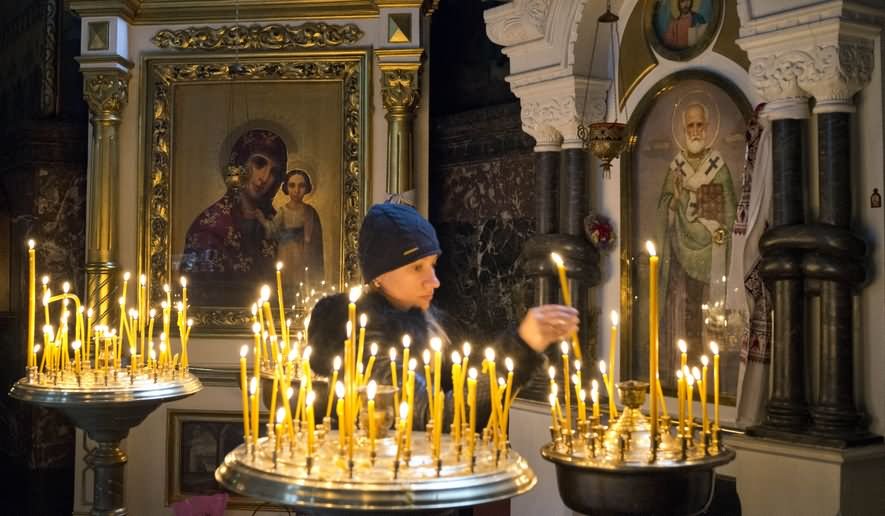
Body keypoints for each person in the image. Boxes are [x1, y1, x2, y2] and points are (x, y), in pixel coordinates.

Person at [308, 203, 578, 430]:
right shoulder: (361, 332)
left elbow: (473, 388)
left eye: (433, 265)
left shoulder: (436, 322)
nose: (434, 281)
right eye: (417, 267)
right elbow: (432, 418)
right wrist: (521, 347)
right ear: (378, 275)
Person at [656, 102, 736, 373]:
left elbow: (730, 207)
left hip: (714, 248)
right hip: (683, 248)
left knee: (714, 306)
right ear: (683, 129)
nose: (695, 130)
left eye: (699, 124)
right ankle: (691, 359)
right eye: (690, 125)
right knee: (690, 308)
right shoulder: (676, 167)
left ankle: (718, 365)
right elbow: (664, 204)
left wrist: (718, 223)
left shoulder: (719, 166)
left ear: (708, 127)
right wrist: (676, 199)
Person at [179, 129, 287, 305]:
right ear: (240, 164)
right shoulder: (209, 228)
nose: (265, 178)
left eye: (274, 172)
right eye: (259, 164)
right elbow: (198, 295)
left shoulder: (277, 224)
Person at [257, 169, 324, 296]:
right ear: (286, 188)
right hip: (285, 252)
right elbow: (272, 230)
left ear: (307, 188)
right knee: (286, 282)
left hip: (302, 253)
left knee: (300, 283)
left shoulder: (310, 211)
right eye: (292, 185)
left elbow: (314, 239)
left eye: (301, 186)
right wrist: (262, 219)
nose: (296, 190)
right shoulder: (283, 211)